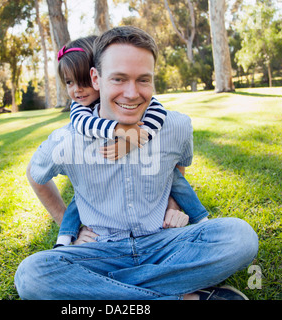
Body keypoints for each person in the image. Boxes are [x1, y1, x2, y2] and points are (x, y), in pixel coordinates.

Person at [15, 26, 258, 300]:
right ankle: (185, 296)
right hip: (99, 250)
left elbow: (177, 166)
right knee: (31, 276)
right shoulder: (68, 139)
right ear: (96, 78)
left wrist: (173, 204)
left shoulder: (176, 126)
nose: (131, 94)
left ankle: (104, 291)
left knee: (240, 236)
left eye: (143, 80)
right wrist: (68, 225)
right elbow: (36, 175)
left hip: (163, 243)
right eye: (119, 79)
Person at [54, 35, 209, 247]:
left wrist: (134, 139)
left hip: (154, 230)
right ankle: (65, 238)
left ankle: (202, 219)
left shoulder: (143, 105)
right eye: (70, 82)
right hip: (102, 227)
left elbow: (158, 113)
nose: (77, 90)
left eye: (82, 82)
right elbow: (83, 125)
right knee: (78, 199)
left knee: (237, 234)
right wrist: (118, 129)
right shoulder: (79, 109)